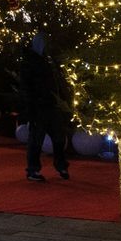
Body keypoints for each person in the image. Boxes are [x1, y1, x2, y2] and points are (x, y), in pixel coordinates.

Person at [20, 31, 71, 181]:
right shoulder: (30, 62)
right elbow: (26, 88)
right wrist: (30, 109)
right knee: (37, 139)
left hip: (51, 104)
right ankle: (33, 169)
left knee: (58, 137)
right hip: (39, 106)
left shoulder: (47, 61)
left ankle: (60, 165)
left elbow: (55, 83)